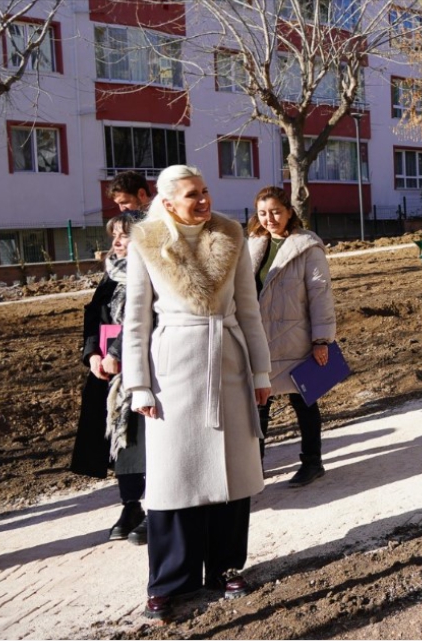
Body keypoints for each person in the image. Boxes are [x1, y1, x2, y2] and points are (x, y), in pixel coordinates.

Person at [121, 165, 271, 621]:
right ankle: (168, 582)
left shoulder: (230, 233)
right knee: (173, 479)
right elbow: (136, 320)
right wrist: (139, 384)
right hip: (174, 370)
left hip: (228, 361)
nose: (203, 200)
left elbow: (249, 308)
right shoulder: (145, 241)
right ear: (167, 203)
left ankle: (225, 568)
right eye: (192, 195)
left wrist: (261, 372)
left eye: (205, 191)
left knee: (231, 473)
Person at [248, 187, 337, 487]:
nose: (269, 219)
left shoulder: (306, 247)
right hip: (260, 338)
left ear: (288, 211)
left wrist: (321, 340)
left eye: (275, 211)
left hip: (296, 337)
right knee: (258, 403)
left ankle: (313, 462)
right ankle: (252, 467)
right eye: (263, 213)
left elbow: (320, 293)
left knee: (304, 402)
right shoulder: (252, 245)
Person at [70, 213, 147, 544]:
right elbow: (94, 319)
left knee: (145, 441)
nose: (116, 241)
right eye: (114, 235)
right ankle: (131, 506)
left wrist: (116, 353)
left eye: (124, 235)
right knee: (121, 442)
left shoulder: (151, 274)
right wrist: (93, 355)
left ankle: (157, 507)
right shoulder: (111, 277)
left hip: (143, 367)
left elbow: (140, 319)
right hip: (110, 374)